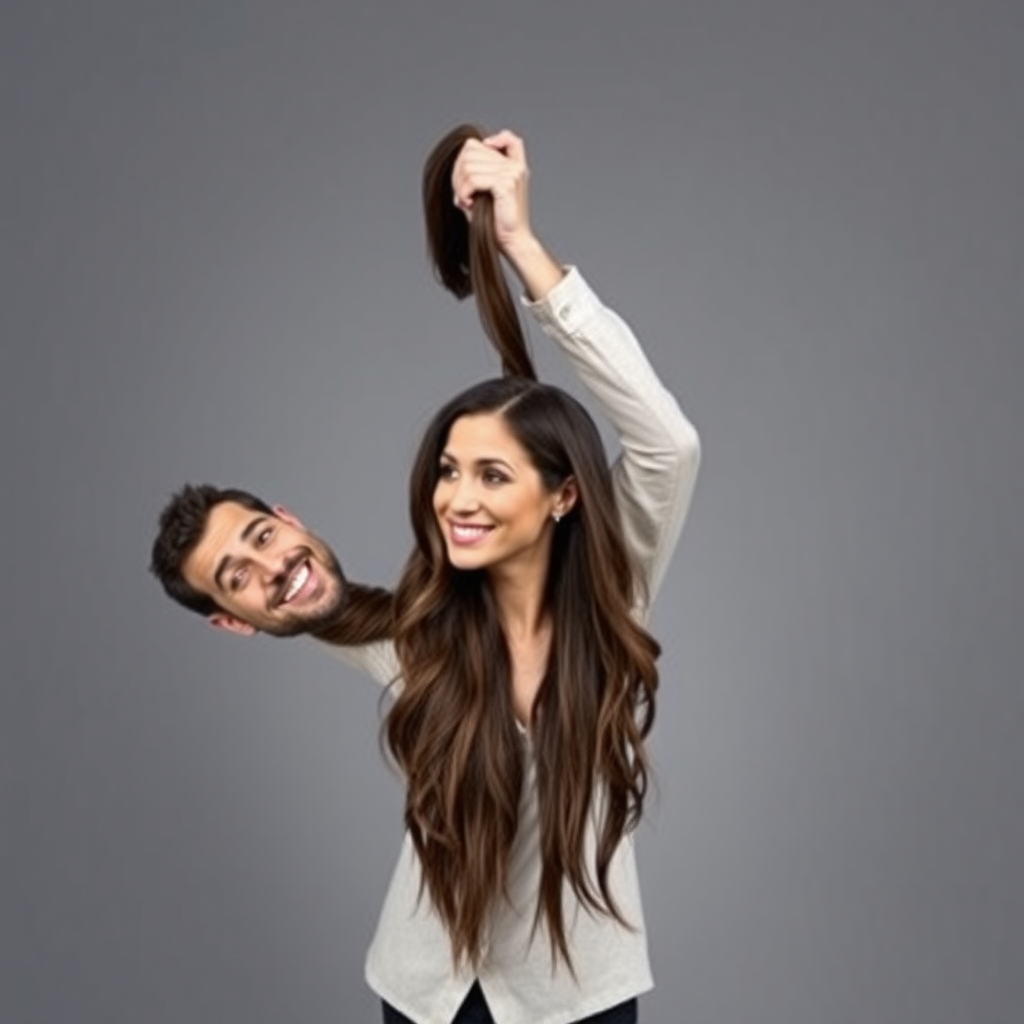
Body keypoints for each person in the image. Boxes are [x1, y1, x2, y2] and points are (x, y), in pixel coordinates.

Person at [150, 129, 700, 1024]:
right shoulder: (410, 637)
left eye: (487, 473)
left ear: (562, 495)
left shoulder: (615, 591)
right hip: (424, 995)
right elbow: (316, 601)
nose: (457, 497)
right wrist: (282, 581)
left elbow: (668, 443)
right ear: (232, 619)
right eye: (447, 473)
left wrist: (521, 246)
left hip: (579, 998)